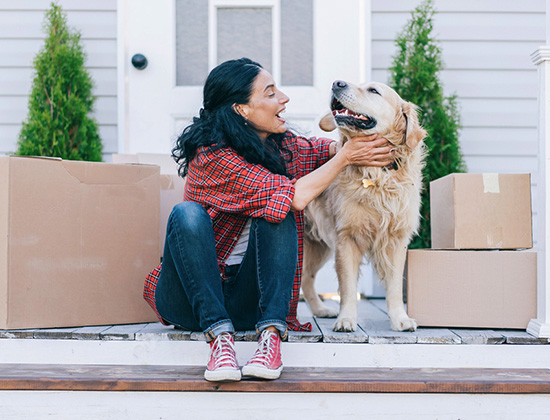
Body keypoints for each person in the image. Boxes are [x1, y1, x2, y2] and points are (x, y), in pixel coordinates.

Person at [143, 58, 394, 382]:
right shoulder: (210, 155)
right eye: (271, 93)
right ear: (242, 110)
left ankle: (271, 339)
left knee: (277, 212)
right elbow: (296, 196)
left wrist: (376, 139)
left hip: (248, 301)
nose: (284, 99)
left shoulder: (281, 146)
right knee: (187, 214)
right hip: (189, 301)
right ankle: (219, 340)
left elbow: (323, 150)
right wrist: (346, 157)